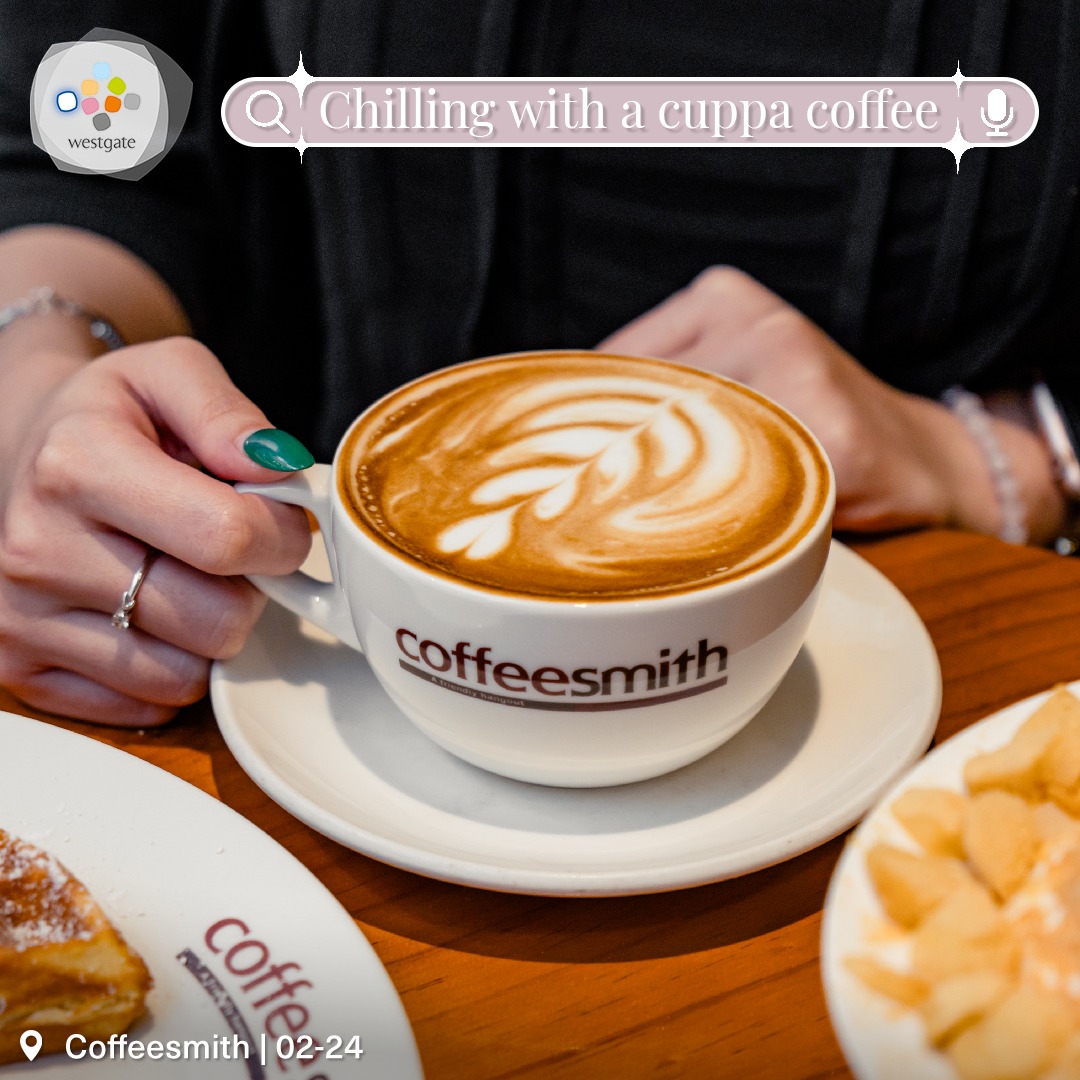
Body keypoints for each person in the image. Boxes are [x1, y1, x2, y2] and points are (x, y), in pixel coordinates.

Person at [0, 3, 1076, 727]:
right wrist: (39, 375)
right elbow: (84, 128)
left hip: (963, 653)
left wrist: (1019, 455)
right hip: (293, 659)